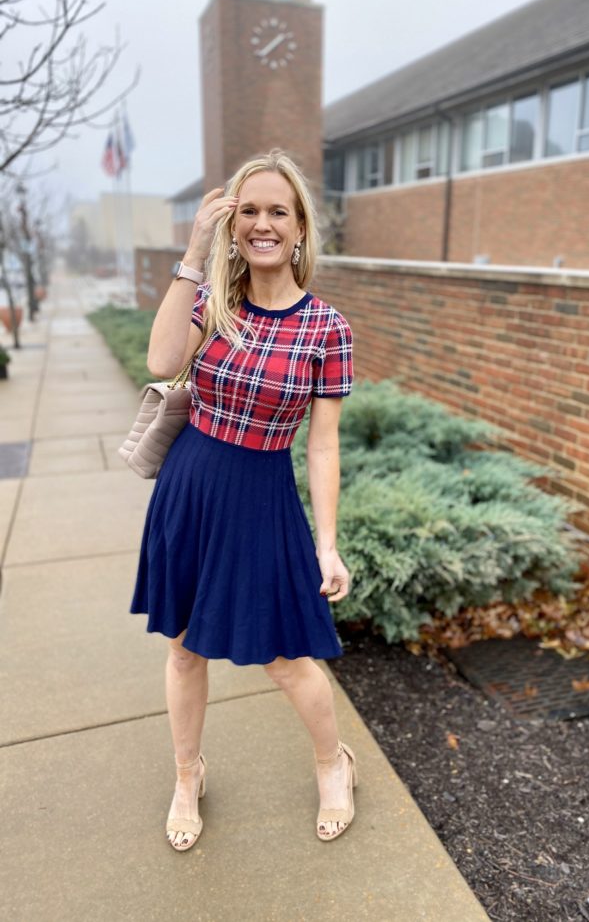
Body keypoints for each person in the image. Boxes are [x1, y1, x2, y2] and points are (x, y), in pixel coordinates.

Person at [130, 149, 357, 851]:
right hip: (191, 486)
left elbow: (321, 445)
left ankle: (333, 763)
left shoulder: (327, 328)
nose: (263, 224)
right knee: (183, 650)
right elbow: (162, 361)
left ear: (299, 228)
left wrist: (327, 541)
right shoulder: (212, 301)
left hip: (262, 496)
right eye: (249, 210)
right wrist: (194, 251)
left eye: (277, 212)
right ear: (234, 223)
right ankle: (187, 773)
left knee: (285, 657)